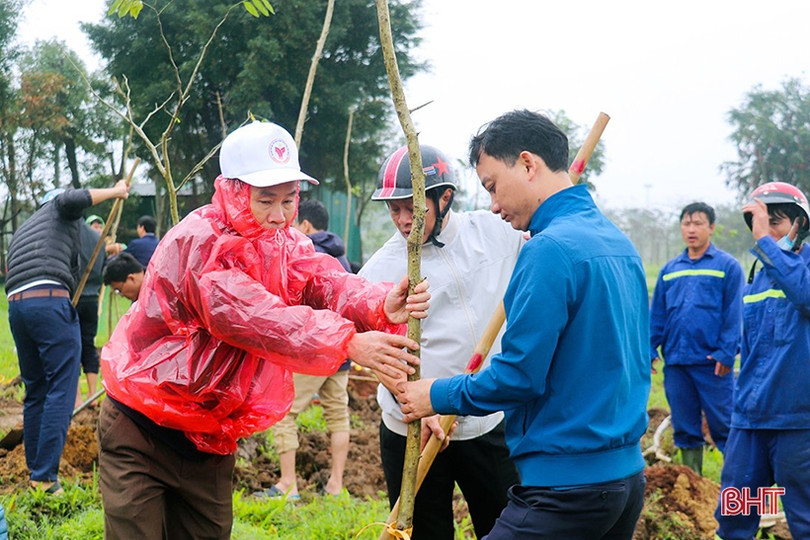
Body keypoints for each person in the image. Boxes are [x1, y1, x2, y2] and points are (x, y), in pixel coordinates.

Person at [96, 120, 430, 540]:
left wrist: (378, 303)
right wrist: (346, 340)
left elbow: (319, 280)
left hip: (209, 435)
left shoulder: (280, 241)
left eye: (289, 200)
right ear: (234, 190)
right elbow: (254, 318)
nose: (279, 215)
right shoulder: (201, 241)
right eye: (265, 199)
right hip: (141, 426)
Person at [396, 110, 650, 540]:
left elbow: (518, 377)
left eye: (493, 186)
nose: (493, 205)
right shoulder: (616, 241)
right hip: (625, 479)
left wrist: (435, 394)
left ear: (528, 164)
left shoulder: (550, 250)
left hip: (567, 488)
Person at [358, 144, 523, 539]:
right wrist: (409, 397)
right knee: (424, 532)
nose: (401, 220)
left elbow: (546, 245)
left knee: (506, 525)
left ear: (444, 197)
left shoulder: (493, 233)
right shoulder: (381, 269)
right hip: (412, 429)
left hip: (485, 421)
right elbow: (369, 345)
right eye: (393, 209)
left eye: (410, 208)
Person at [5, 181, 130, 495]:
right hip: (48, 299)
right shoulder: (60, 207)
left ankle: (36, 472)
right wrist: (115, 192)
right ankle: (46, 478)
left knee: (36, 390)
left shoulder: (29, 227)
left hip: (16, 307)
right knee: (62, 385)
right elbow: (72, 199)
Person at [715, 182, 810, 540]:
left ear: (801, 223)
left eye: (777, 223)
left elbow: (804, 295)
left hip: (797, 423)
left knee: (803, 519)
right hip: (750, 422)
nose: (767, 233)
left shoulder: (804, 268)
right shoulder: (755, 278)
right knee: (738, 517)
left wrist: (767, 246)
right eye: (761, 223)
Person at [264, 199, 354, 499]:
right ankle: (336, 485)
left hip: (315, 353)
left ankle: (287, 484)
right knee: (338, 415)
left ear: (305, 225)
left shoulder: (307, 253)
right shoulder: (341, 258)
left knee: (284, 414)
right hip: (344, 351)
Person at [649, 202, 744, 474]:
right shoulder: (670, 269)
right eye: (687, 224)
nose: (692, 229)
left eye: (698, 223)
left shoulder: (727, 266)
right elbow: (658, 315)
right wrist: (650, 349)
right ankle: (694, 486)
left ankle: (737, 486)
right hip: (677, 362)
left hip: (712, 364)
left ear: (711, 228)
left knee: (724, 425)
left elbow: (733, 313)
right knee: (685, 427)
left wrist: (727, 353)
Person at [74, 218, 108, 409]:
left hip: (74, 297)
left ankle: (77, 398)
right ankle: (93, 395)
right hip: (92, 298)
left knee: (72, 344)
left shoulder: (72, 235)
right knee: (88, 343)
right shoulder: (99, 238)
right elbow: (102, 267)